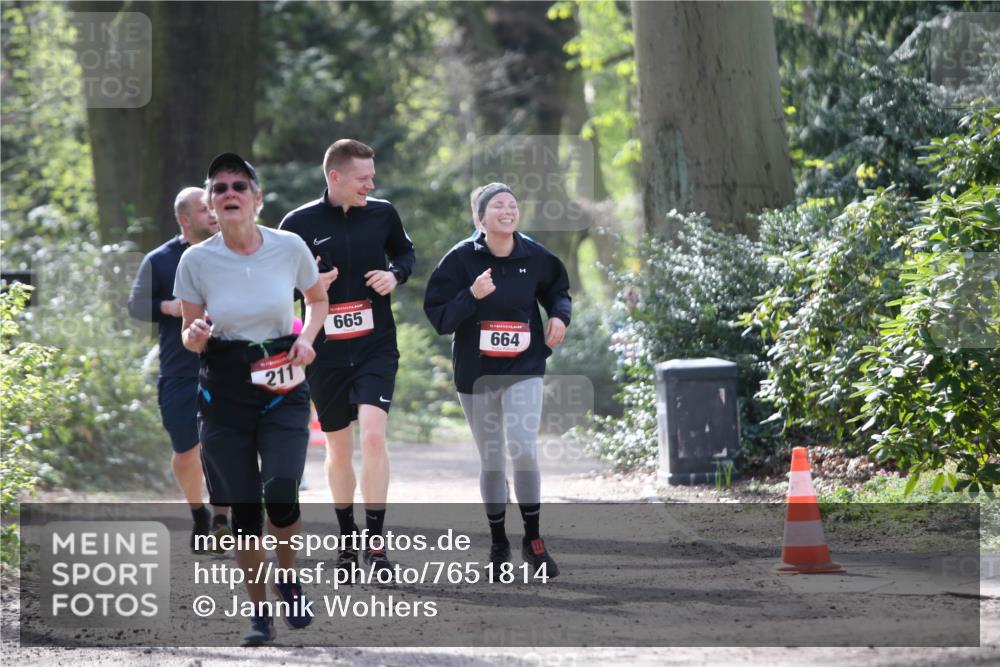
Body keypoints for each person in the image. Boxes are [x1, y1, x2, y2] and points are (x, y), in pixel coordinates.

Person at [174, 153, 328, 646]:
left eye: (240, 185)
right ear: (211, 206)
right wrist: (195, 334)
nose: (230, 193)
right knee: (243, 510)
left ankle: (287, 576)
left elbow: (317, 298)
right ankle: (259, 613)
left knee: (281, 490)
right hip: (225, 387)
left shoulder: (289, 247)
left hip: (283, 383)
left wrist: (310, 338)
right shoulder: (195, 260)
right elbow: (189, 333)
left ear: (257, 200)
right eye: (220, 188)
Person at [279, 139, 414, 573]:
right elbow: (275, 284)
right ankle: (348, 539)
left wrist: (395, 275)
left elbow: (406, 254)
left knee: (373, 436)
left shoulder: (383, 213)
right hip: (325, 351)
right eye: (363, 178)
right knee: (338, 449)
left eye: (372, 177)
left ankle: (376, 544)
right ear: (335, 177)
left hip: (376, 344)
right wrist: (310, 283)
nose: (371, 185)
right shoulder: (297, 223)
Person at [423, 182, 571, 577]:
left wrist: (559, 316)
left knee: (523, 448)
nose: (507, 211)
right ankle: (498, 542)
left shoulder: (535, 255)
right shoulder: (459, 260)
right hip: (476, 372)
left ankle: (534, 541)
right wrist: (471, 295)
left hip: (524, 367)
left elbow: (559, 291)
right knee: (492, 459)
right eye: (498, 206)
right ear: (480, 218)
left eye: (512, 204)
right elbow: (439, 318)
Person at [128, 186, 230, 552]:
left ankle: (221, 518)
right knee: (187, 451)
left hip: (227, 367)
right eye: (205, 210)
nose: (214, 215)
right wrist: (172, 308)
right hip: (179, 369)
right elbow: (137, 307)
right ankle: (198, 511)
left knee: (221, 445)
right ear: (185, 219)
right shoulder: (160, 259)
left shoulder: (232, 252)